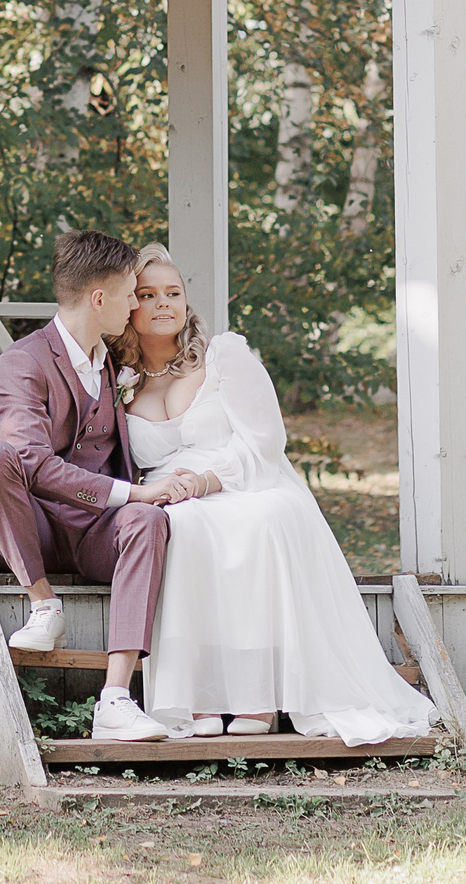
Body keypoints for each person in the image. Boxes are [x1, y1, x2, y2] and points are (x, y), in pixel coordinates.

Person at [115, 245, 439, 743]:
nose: (164, 303)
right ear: (127, 305)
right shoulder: (119, 380)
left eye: (174, 293)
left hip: (245, 479)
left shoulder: (225, 354)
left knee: (260, 519)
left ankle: (255, 698)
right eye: (148, 294)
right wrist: (157, 490)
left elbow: (266, 442)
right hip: (170, 495)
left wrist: (205, 480)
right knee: (183, 527)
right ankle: (198, 695)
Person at [0, 229, 200, 743]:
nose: (137, 304)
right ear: (100, 299)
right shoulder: (24, 360)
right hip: (30, 528)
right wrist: (132, 492)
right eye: (132, 294)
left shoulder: (116, 364)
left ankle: (116, 700)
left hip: (95, 533)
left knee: (149, 519)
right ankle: (44, 604)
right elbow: (32, 463)